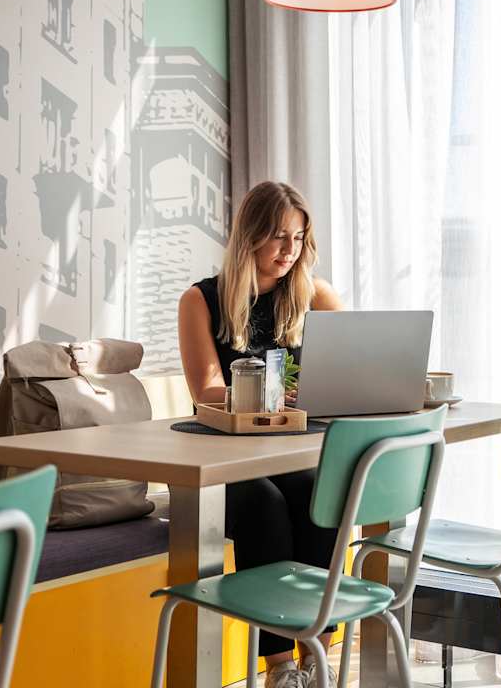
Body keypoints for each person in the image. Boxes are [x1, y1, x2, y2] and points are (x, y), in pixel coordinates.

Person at [177, 181, 344, 688]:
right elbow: (206, 390)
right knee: (263, 505)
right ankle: (279, 669)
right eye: (277, 237)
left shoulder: (313, 294)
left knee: (320, 492)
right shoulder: (201, 301)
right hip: (220, 464)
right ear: (249, 236)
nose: (288, 251)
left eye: (297, 238)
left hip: (291, 454)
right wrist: (268, 396)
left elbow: (351, 364)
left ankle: (316, 650)